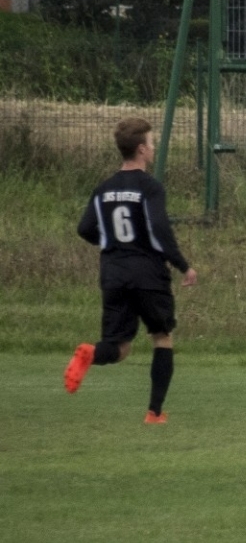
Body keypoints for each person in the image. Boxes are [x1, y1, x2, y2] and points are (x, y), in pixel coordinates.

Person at [65, 118, 198, 423]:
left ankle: (91, 352)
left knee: (119, 347)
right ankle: (154, 412)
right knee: (162, 337)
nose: (153, 148)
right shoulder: (150, 188)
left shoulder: (103, 189)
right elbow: (159, 228)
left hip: (113, 273)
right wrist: (183, 265)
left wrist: (110, 242)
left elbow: (84, 228)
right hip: (147, 273)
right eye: (151, 143)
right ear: (141, 149)